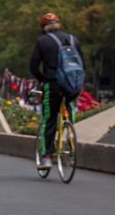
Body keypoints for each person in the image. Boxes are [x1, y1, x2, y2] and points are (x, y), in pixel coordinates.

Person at [29, 12, 85, 170]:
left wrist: (42, 79)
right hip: (73, 84)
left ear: (44, 27)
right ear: (59, 24)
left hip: (53, 84)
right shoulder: (74, 40)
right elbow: (83, 65)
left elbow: (33, 66)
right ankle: (70, 136)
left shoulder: (42, 41)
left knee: (49, 118)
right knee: (69, 106)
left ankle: (47, 157)